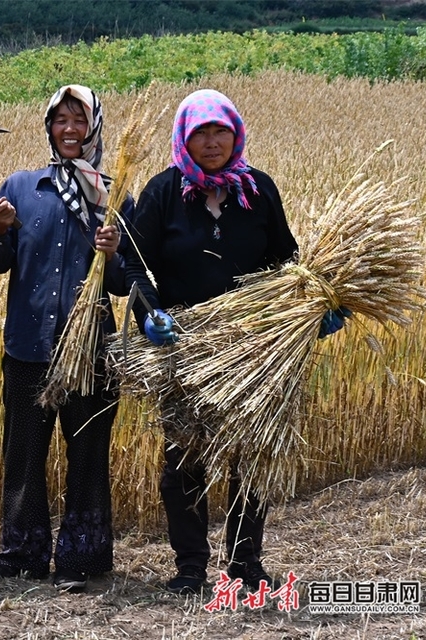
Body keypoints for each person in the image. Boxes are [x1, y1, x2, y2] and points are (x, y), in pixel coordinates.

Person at [125, 88, 345, 595]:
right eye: (199, 132)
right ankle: (190, 565)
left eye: (219, 131)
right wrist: (149, 313)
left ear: (236, 134)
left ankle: (246, 561)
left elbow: (287, 262)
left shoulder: (259, 190)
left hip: (254, 344)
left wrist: (317, 308)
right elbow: (132, 261)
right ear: (184, 137)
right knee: (185, 455)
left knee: (251, 453)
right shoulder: (164, 191)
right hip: (186, 341)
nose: (210, 142)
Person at [0, 85, 131, 593]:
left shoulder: (115, 191)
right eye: (60, 120)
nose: (69, 130)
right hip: (28, 348)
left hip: (90, 352)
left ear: (94, 128)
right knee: (22, 453)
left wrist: (113, 251)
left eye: (79, 120)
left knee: (87, 455)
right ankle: (21, 555)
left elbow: (130, 282)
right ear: (49, 126)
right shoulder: (21, 188)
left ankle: (81, 560)